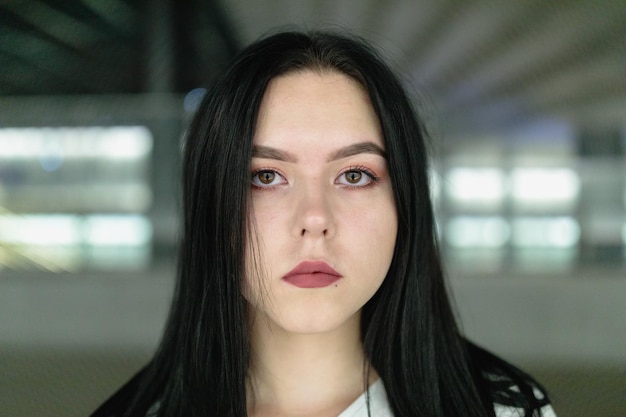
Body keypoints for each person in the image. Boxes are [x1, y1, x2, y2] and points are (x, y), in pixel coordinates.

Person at [91, 30, 557, 417]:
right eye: (265, 176)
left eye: (354, 175)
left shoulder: (505, 411)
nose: (314, 219)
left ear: (406, 203)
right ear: (212, 204)